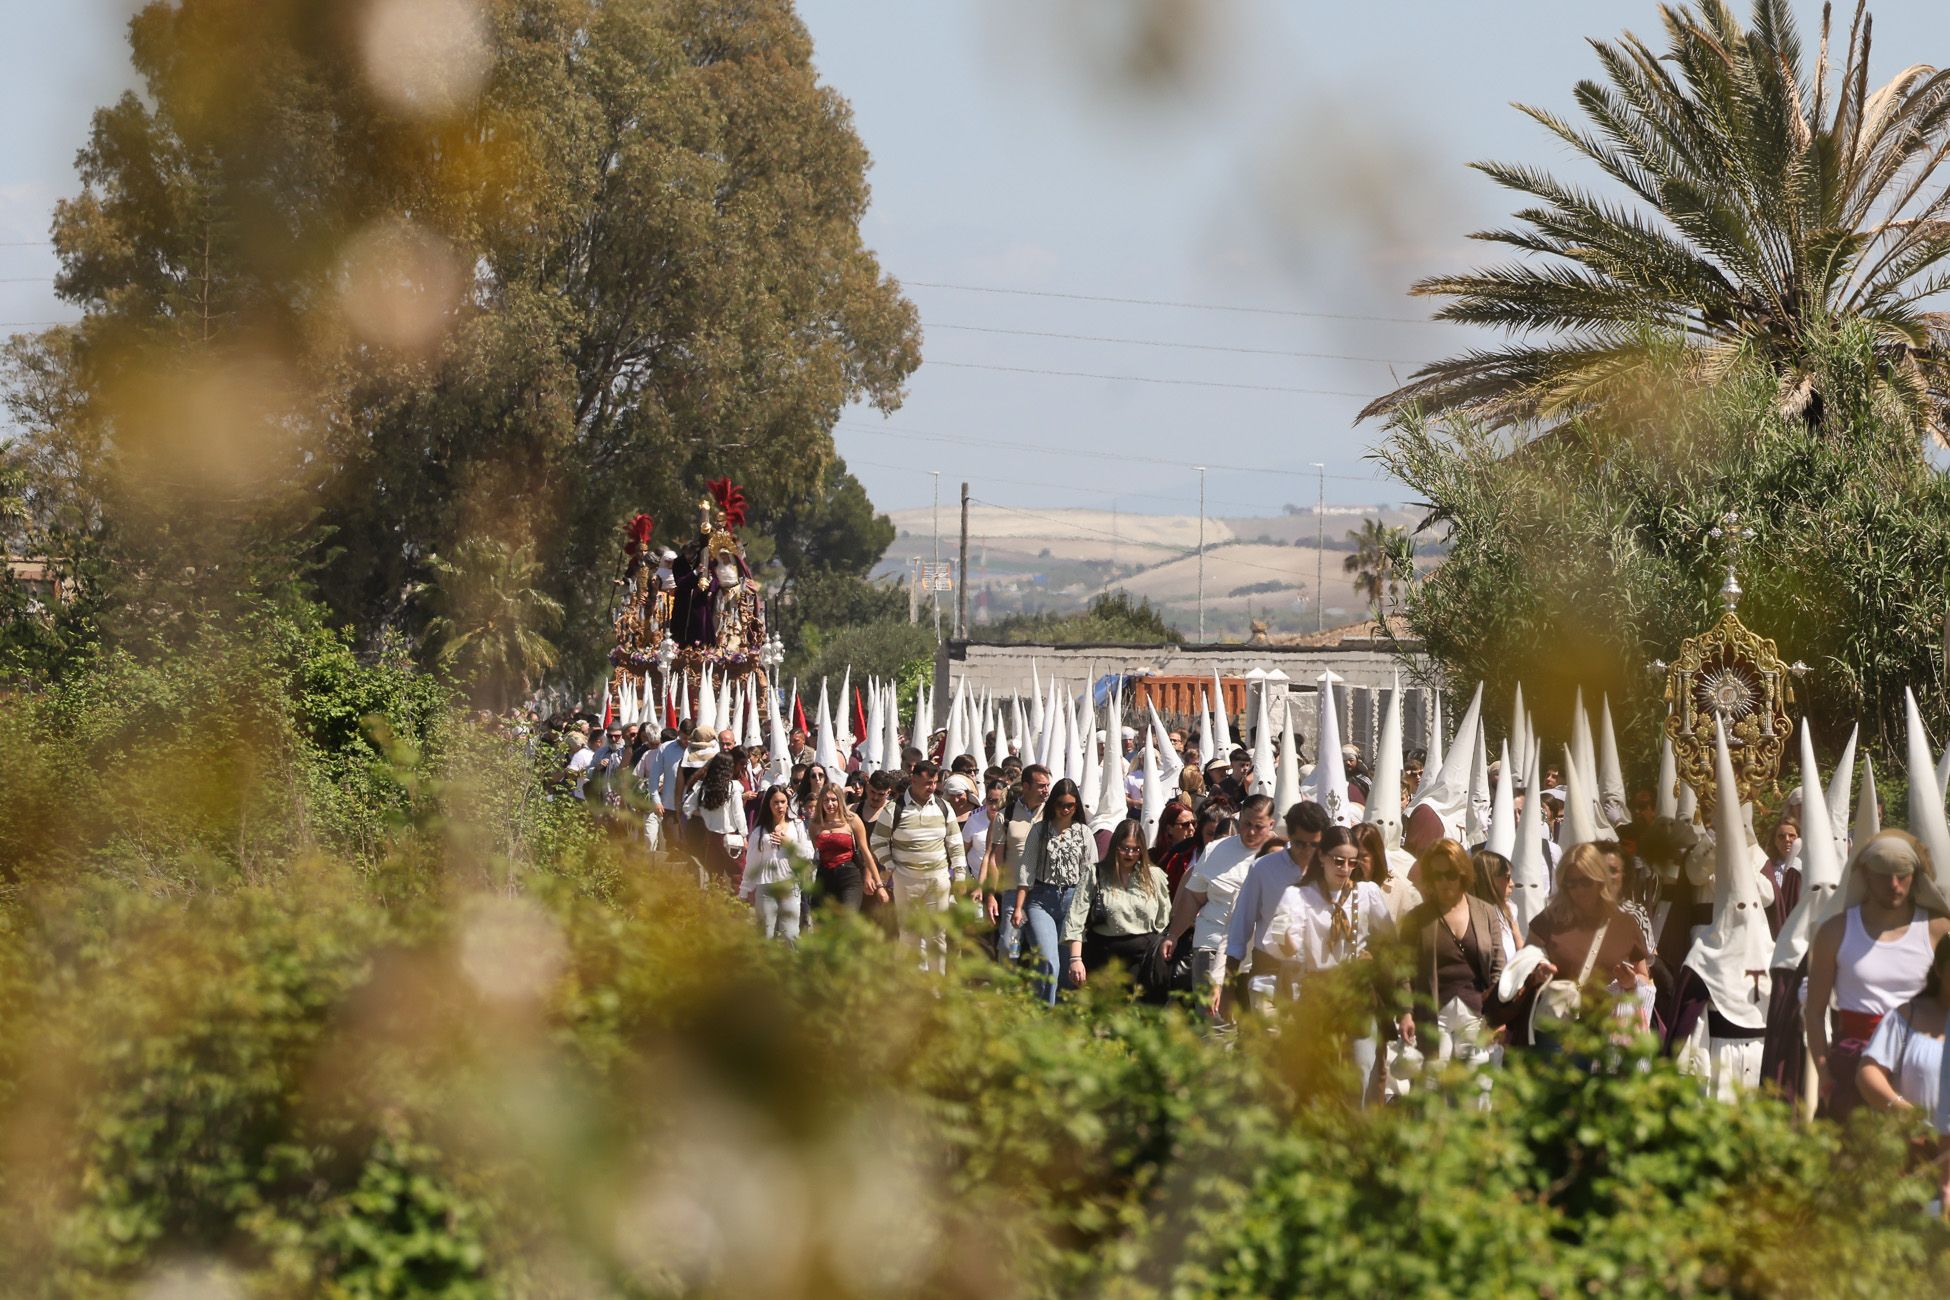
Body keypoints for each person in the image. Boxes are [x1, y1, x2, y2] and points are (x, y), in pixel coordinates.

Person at [1806, 830, 1950, 1119]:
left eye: (1902, 875)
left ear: (1915, 876)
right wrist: (1823, 1070)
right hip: (1852, 1062)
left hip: (1922, 1060)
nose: (1894, 885)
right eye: (1883, 875)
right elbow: (1814, 1010)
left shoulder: (1938, 929)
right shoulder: (1835, 931)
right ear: (1865, 876)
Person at [1276, 824, 1397, 1096]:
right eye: (1337, 861)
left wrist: (1374, 957)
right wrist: (1289, 941)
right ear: (1322, 857)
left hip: (1357, 991)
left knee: (1361, 1070)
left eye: (1351, 862)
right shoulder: (1300, 895)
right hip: (1318, 990)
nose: (1344, 868)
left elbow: (1390, 940)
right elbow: (1283, 941)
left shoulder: (1366, 893)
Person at [1509, 842, 1652, 1050]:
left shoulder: (1625, 924)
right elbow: (1522, 968)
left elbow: (1644, 976)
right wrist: (1536, 974)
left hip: (1607, 1032)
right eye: (1570, 883)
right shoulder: (1549, 920)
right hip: (1557, 1030)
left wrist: (1631, 982)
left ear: (1599, 880)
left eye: (1584, 882)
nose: (1577, 889)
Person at [1163, 794, 1276, 1020]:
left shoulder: (1281, 854)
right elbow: (1194, 898)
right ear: (1239, 818)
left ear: (1271, 824)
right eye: (1246, 824)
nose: (1251, 832)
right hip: (1212, 943)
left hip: (1261, 952)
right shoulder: (1215, 849)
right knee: (1215, 1023)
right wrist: (1174, 934)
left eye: (1258, 826)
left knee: (1257, 1025)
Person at [1399, 839, 1508, 1067]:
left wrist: (1497, 1013)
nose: (1444, 882)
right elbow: (1404, 971)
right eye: (1437, 875)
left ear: (1463, 873)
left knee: (1477, 1083)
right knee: (1432, 1078)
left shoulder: (1485, 912)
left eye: (1450, 874)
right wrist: (1406, 1012)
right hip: (1433, 1010)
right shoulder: (1417, 918)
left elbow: (1498, 965)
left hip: (1476, 1009)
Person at [1221, 801, 1331, 1018]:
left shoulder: (1330, 871)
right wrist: (1228, 985)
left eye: (1314, 845)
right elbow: (1240, 928)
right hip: (1268, 974)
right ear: (1289, 836)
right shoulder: (1264, 869)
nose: (1307, 852)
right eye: (1300, 844)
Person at [869, 759, 966, 974]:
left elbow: (955, 842)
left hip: (937, 879)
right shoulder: (894, 809)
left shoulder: (944, 807)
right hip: (907, 880)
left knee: (937, 935)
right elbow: (877, 841)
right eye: (927, 783)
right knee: (909, 935)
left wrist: (959, 874)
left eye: (934, 782)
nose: (932, 787)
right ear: (913, 780)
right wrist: (890, 865)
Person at [1064, 819, 1172, 999]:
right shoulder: (1095, 874)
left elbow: (1164, 920)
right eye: (1124, 848)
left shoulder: (1154, 876)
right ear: (1115, 846)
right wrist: (1075, 960)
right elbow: (1076, 918)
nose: (1129, 854)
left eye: (1135, 849)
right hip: (1103, 955)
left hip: (1143, 959)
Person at [1012, 778, 1094, 1005]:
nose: (1065, 810)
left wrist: (1089, 908)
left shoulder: (1084, 833)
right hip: (1042, 899)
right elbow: (1026, 869)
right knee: (1049, 961)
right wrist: (1018, 906)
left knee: (1069, 966)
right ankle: (1042, 1012)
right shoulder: (1039, 830)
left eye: (1070, 805)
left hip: (1073, 900)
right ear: (1052, 804)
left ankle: (1063, 1016)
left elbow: (1090, 874)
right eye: (1060, 804)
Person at [1857, 934, 1950, 1129]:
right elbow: (1869, 1073)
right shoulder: (1907, 1016)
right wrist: (1908, 1116)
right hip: (1915, 1146)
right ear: (1940, 970)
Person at [984, 764, 1051, 963]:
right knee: (1009, 946)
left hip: (1043, 891)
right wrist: (991, 895)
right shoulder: (1006, 816)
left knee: (1043, 949)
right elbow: (995, 859)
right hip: (1012, 891)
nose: (1046, 791)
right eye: (1041, 786)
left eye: (1047, 786)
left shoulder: (1053, 814)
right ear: (1026, 786)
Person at [739, 786, 811, 941]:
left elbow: (807, 854)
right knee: (765, 934)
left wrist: (788, 843)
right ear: (769, 805)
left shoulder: (797, 825)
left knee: (790, 934)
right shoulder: (759, 832)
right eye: (775, 802)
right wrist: (745, 890)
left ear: (788, 803)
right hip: (765, 887)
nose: (780, 806)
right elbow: (752, 862)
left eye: (783, 802)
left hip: (790, 885)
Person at [806, 783, 880, 912]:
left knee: (848, 918)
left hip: (849, 875)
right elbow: (815, 849)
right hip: (824, 875)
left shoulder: (852, 819)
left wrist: (878, 883)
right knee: (823, 922)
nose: (830, 804)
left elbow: (865, 851)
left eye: (834, 800)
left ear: (840, 800)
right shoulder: (815, 824)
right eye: (826, 800)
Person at [683, 752, 747, 880]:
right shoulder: (733, 787)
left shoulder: (704, 786)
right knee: (737, 874)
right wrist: (744, 834)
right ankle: (737, 900)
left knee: (714, 874)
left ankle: (715, 898)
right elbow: (738, 813)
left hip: (711, 835)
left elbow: (687, 807)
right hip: (731, 836)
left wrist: (705, 813)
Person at [1470, 848, 1522, 960]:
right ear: (1489, 880)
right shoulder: (1469, 915)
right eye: (1507, 878)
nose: (1512, 884)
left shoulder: (1508, 911)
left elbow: (1520, 949)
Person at [1760, 814, 1802, 939]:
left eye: (1792, 836)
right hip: (1772, 930)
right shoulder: (1766, 869)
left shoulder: (1806, 868)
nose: (1787, 840)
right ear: (1775, 841)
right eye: (1781, 836)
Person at [1149, 799, 1200, 895]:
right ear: (1169, 829)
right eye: (1185, 825)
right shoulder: (1152, 858)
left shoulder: (1197, 855)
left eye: (1193, 823)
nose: (1192, 829)